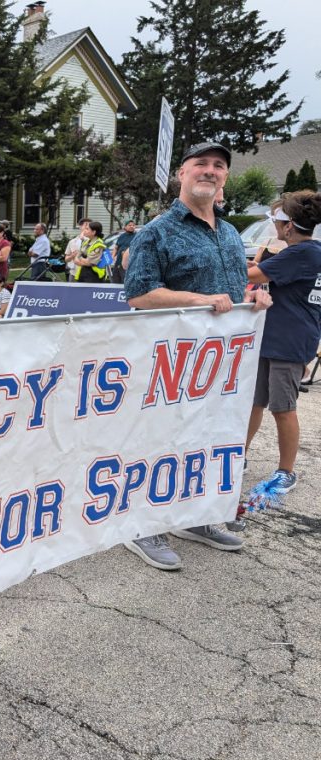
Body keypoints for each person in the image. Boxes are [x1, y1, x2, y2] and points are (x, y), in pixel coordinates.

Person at [123, 140, 272, 570]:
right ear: (182, 174)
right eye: (200, 164)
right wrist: (198, 298)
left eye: (218, 166)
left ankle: (196, 517)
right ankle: (141, 526)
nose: (210, 170)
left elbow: (227, 291)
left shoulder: (227, 233)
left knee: (207, 440)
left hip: (219, 367)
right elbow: (138, 295)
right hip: (167, 363)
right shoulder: (157, 231)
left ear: (225, 177)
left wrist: (252, 298)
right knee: (159, 442)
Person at [243, 191, 321, 495]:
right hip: (279, 337)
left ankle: (286, 471)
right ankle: (240, 456)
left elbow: (253, 274)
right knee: (255, 401)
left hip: (287, 341)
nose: (273, 225)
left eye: (276, 219)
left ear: (288, 226)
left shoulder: (301, 253)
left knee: (283, 407)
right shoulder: (306, 252)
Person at [64, 218, 91, 282]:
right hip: (74, 273)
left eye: (90, 226)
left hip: (88, 273)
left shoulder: (93, 241)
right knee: (71, 291)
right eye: (86, 225)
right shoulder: (72, 242)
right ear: (80, 227)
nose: (88, 227)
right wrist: (72, 255)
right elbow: (66, 259)